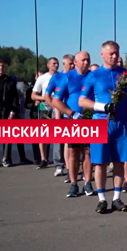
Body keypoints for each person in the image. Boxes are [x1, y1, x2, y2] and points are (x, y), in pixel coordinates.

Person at [79, 41, 127, 214]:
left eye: (116, 53)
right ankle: (102, 199)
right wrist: (102, 107)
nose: (114, 56)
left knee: (120, 161)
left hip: (121, 124)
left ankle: (117, 198)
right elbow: (82, 100)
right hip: (100, 122)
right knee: (100, 163)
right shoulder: (94, 75)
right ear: (102, 55)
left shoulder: (126, 74)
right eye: (111, 53)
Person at [51, 51, 95, 197]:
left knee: (88, 152)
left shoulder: (93, 76)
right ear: (75, 62)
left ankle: (88, 183)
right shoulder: (67, 77)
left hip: (91, 119)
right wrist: (71, 113)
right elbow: (56, 100)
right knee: (73, 152)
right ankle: (73, 183)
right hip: (72, 119)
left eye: (87, 60)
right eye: (83, 60)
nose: (86, 63)